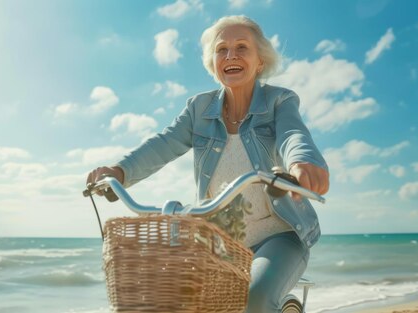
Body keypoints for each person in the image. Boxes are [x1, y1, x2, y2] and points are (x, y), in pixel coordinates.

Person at [86, 15, 329, 313]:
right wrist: (119, 171)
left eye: (242, 47)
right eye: (221, 49)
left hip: (279, 236)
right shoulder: (198, 109)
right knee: (169, 299)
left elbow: (293, 134)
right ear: (214, 64)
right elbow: (164, 144)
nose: (231, 55)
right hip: (219, 242)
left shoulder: (279, 101)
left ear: (260, 61)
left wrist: (303, 161)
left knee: (254, 299)